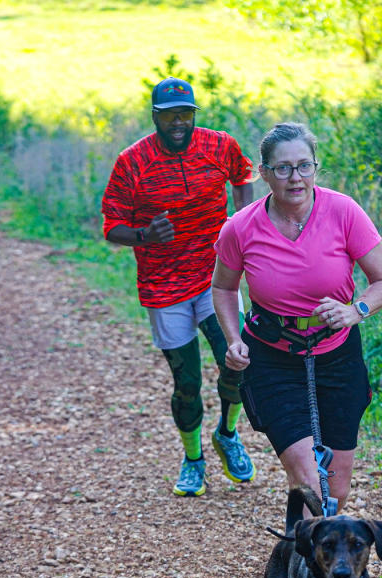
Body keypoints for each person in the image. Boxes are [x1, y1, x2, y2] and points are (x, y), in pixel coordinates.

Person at [211, 122, 382, 512]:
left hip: (337, 354)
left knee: (337, 489)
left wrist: (355, 310)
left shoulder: (344, 211)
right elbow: (224, 288)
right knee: (309, 480)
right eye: (283, 168)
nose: (295, 178)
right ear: (263, 174)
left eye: (304, 166)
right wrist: (233, 339)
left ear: (315, 167)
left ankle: (314, 555)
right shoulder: (240, 228)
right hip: (273, 357)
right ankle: (301, 568)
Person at [102, 77, 256, 497]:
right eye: (170, 115)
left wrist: (241, 221)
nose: (178, 122)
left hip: (215, 278)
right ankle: (193, 460)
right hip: (163, 286)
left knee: (238, 361)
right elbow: (111, 226)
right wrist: (143, 235)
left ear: (193, 114)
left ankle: (227, 434)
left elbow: (243, 175)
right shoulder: (132, 162)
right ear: (155, 116)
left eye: (186, 113)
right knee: (186, 382)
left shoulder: (218, 145)